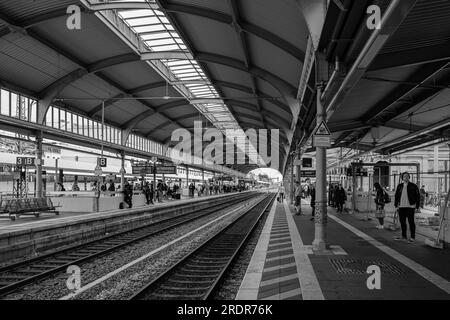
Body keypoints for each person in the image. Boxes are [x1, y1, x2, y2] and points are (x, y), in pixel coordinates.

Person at [394, 172, 420, 243]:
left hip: (410, 207)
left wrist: (417, 206)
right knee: (402, 222)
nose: (405, 177)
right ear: (402, 178)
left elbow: (418, 197)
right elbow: (396, 196)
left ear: (409, 177)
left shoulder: (413, 186)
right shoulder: (400, 186)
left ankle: (412, 237)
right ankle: (404, 236)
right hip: (401, 207)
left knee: (411, 222)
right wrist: (396, 205)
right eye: (404, 176)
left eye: (407, 176)